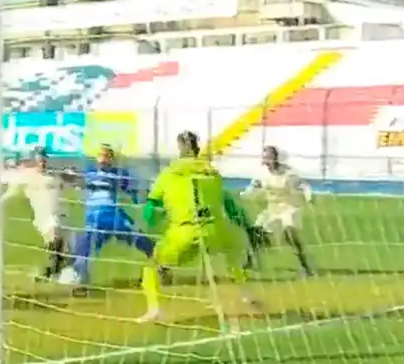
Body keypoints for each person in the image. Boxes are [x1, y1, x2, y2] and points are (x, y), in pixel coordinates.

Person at [140, 131, 259, 322]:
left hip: (184, 231)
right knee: (232, 261)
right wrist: (246, 226)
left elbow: (152, 207)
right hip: (216, 229)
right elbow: (230, 205)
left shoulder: (169, 173)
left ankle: (154, 309)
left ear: (179, 148)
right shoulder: (212, 172)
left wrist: (152, 220)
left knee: (152, 266)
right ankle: (248, 294)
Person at [59, 145, 156, 293]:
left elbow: (134, 189)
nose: (103, 159)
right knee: (83, 246)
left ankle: (160, 264)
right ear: (96, 158)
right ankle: (81, 281)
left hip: (113, 215)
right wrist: (69, 176)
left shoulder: (118, 174)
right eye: (101, 156)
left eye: (107, 156)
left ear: (112, 159)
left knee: (138, 237)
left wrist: (140, 194)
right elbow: (69, 176)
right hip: (94, 218)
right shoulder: (89, 173)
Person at [241, 145, 314, 276]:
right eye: (264, 158)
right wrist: (246, 193)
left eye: (269, 157)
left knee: (290, 235)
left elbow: (303, 185)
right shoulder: (262, 173)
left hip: (289, 207)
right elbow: (255, 185)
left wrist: (308, 196)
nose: (266, 161)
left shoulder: (289, 173)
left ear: (276, 158)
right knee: (256, 231)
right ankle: (249, 261)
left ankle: (305, 267)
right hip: (272, 208)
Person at [0, 147, 69, 281]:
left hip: (59, 216)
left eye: (44, 160)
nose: (42, 163)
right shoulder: (27, 178)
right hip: (41, 217)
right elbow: (12, 193)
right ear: (34, 161)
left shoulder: (54, 177)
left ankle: (53, 271)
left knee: (57, 242)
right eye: (39, 161)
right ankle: (53, 270)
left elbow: (62, 195)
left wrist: (65, 211)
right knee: (54, 240)